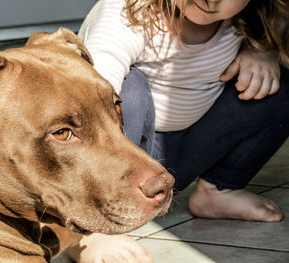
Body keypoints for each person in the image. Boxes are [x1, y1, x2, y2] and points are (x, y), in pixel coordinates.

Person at [66, 0, 289, 262]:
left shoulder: (250, 18)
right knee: (119, 92)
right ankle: (88, 231)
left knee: (278, 87)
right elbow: (88, 105)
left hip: (178, 156)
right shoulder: (126, 11)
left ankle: (218, 190)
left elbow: (271, 36)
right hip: (117, 156)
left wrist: (263, 52)